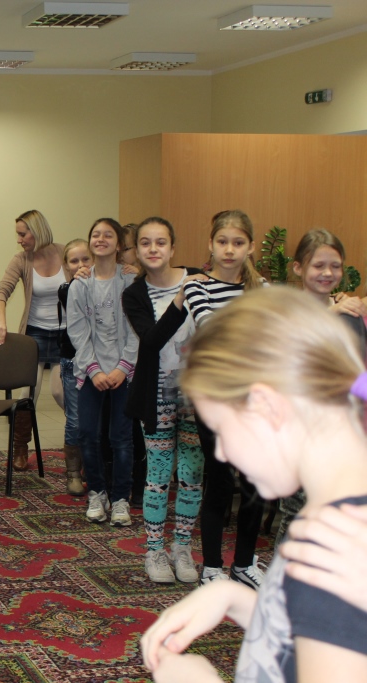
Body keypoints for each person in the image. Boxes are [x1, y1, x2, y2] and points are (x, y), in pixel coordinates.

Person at [140, 286, 367, 683]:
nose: (222, 452)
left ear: (265, 406)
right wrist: (236, 599)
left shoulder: (335, 552)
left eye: (220, 429)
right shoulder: (339, 514)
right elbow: (307, 639)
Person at [183, 209, 266, 587]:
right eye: (222, 242)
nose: (229, 250)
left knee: (254, 485)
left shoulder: (262, 290)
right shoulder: (197, 287)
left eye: (238, 243)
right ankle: (212, 568)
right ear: (211, 245)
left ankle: (244, 564)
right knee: (219, 483)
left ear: (250, 247)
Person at [122, 217, 206, 584]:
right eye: (145, 243)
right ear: (137, 250)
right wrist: (181, 298)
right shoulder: (135, 294)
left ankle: (182, 547)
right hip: (156, 395)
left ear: (172, 248)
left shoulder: (199, 279)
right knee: (157, 476)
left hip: (196, 393)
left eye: (161, 242)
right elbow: (153, 340)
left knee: (191, 474)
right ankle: (154, 551)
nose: (153, 249)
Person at [272, 230, 367, 542]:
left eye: (335, 266)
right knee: (299, 520)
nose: (328, 273)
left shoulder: (350, 314)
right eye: (319, 265)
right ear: (299, 267)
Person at [66, 217, 137, 526]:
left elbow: (137, 329)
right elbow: (77, 331)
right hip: (90, 372)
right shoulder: (80, 284)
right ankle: (97, 492)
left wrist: (123, 367)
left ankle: (121, 498)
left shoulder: (131, 281)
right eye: (96, 234)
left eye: (109, 235)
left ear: (119, 243)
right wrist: (93, 370)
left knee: (121, 437)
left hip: (124, 373)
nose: (101, 239)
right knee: (87, 434)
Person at [0, 210, 66, 471]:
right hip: (34, 333)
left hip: (65, 335)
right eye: (18, 234)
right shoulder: (21, 260)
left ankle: (78, 443)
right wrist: (1, 322)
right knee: (27, 394)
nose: (19, 239)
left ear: (37, 231)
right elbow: (2, 291)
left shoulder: (65, 253)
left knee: (60, 392)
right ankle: (21, 448)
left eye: (23, 234)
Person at [57, 238, 91, 495]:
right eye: (74, 261)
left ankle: (93, 466)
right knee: (76, 420)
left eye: (86, 259)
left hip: (103, 361)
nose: (80, 265)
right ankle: (73, 472)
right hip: (73, 360)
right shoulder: (66, 289)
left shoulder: (109, 284)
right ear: (66, 266)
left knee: (97, 421)